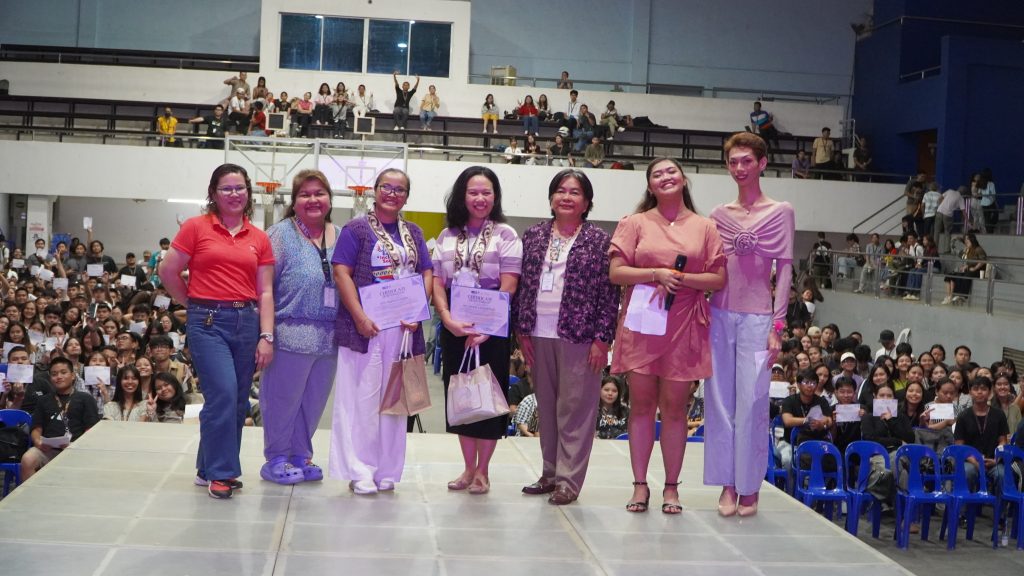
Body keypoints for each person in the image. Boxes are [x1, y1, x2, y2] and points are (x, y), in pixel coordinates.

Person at [609, 157, 726, 514]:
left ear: (684, 179)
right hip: (643, 322)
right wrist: (655, 273)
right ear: (650, 186)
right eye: (657, 174)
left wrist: (680, 279)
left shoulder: (705, 226)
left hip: (685, 323)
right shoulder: (634, 222)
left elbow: (719, 278)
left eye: (671, 171)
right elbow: (616, 272)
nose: (665, 177)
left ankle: (672, 487)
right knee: (641, 406)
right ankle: (640, 484)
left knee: (675, 410)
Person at [159, 163, 275, 499]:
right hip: (207, 322)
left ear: (248, 192)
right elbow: (168, 271)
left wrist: (266, 335)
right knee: (223, 393)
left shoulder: (259, 237)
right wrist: (192, 302)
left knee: (237, 401)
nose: (234, 194)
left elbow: (266, 292)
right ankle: (223, 472)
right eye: (226, 188)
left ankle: (206, 467)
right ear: (213, 193)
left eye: (240, 188)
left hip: (246, 321)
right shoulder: (196, 227)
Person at [513, 169, 619, 505]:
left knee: (575, 409)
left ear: (586, 202)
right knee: (546, 406)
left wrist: (602, 339)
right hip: (537, 332)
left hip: (580, 336)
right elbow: (523, 285)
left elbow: (609, 294)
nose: (566, 197)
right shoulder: (533, 235)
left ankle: (568, 481)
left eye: (575, 192)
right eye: (560, 190)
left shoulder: (599, 241)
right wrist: (521, 330)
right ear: (551, 198)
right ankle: (549, 473)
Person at [704, 132, 795, 518]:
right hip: (719, 315)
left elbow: (785, 269)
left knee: (753, 404)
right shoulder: (718, 215)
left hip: (759, 319)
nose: (739, 168)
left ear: (762, 163)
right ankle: (727, 482)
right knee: (719, 403)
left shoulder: (781, 211)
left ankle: (750, 484)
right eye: (733, 161)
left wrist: (778, 324)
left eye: (746, 161)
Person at [331, 168, 433, 495]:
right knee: (361, 400)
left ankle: (387, 469)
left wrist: (419, 309)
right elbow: (341, 272)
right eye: (386, 187)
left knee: (395, 403)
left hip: (403, 330)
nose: (392, 193)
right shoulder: (356, 229)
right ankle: (360, 469)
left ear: (407, 196)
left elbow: (427, 272)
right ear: (375, 191)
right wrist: (359, 316)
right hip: (366, 329)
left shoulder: (413, 232)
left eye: (399, 189)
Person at [431, 166, 522, 496]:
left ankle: (483, 471)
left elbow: (509, 284)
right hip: (455, 329)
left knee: (489, 397)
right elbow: (437, 283)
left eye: (486, 192)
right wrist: (446, 318)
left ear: (495, 197)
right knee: (462, 396)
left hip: (492, 331)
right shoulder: (446, 236)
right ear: (462, 195)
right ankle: (468, 468)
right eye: (473, 192)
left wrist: (487, 325)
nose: (480, 198)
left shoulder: (506, 235)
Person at [261, 170, 342, 486]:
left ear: (329, 199)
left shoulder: (342, 235)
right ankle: (276, 458)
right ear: (294, 202)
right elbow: (264, 289)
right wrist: (266, 335)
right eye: (305, 194)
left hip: (330, 338)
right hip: (290, 334)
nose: (313, 199)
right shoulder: (280, 235)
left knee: (313, 403)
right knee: (283, 402)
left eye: (319, 193)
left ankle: (300, 456)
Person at [20, 357, 99, 482]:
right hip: (48, 450)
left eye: (63, 372)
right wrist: (38, 442)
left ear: (73, 376)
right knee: (28, 459)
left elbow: (91, 430)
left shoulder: (85, 398)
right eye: (54, 374)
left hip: (76, 449)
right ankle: (30, 493)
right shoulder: (43, 400)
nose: (59, 377)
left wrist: (75, 445)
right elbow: (36, 428)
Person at [954, 376, 1009, 497]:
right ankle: (965, 507)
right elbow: (959, 446)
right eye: (975, 389)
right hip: (970, 461)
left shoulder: (999, 414)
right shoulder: (963, 416)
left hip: (993, 461)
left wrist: (997, 459)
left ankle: (999, 508)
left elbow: (1003, 441)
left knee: (1002, 474)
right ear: (970, 392)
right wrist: (976, 462)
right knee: (967, 472)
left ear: (990, 392)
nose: (979, 392)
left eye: (983, 389)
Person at [942, 232, 986, 304]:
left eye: (967, 240)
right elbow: (959, 253)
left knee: (967, 275)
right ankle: (952, 296)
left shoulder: (978, 249)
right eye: (965, 240)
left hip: (978, 270)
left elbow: (983, 261)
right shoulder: (968, 250)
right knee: (955, 274)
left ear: (972, 240)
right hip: (969, 269)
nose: (966, 242)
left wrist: (974, 268)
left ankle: (963, 296)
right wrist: (956, 240)